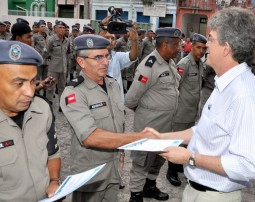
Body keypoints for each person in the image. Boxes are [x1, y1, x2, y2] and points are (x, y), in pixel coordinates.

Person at [157, 7, 255, 202]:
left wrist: (189, 158)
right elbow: (203, 131)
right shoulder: (224, 84)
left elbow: (248, 166)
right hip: (198, 191)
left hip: (215, 196)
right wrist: (162, 137)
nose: (206, 45)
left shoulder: (244, 95)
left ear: (226, 48)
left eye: (210, 39)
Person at [60, 34, 157, 202]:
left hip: (113, 169)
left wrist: (120, 153)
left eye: (107, 56)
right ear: (81, 62)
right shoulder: (74, 92)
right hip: (90, 174)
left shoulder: (112, 84)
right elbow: (90, 137)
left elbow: (117, 122)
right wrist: (138, 138)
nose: (106, 62)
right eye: (98, 57)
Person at [125, 27, 181, 202]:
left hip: (165, 126)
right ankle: (135, 195)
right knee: (142, 161)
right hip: (149, 126)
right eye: (176, 45)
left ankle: (150, 186)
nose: (179, 48)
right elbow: (131, 99)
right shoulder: (148, 66)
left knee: (158, 159)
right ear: (165, 44)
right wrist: (147, 112)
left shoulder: (169, 62)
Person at [0, 40, 61, 201]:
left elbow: (53, 153)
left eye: (33, 81)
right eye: (19, 83)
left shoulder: (41, 109)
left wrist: (54, 181)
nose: (29, 92)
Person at [167, 33, 207, 186]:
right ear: (192, 47)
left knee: (187, 143)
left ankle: (180, 167)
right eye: (198, 47)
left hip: (192, 111)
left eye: (204, 48)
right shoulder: (184, 64)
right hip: (181, 111)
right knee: (176, 142)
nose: (201, 51)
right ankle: (171, 171)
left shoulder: (200, 64)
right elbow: (175, 87)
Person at [46, 20, 69, 111]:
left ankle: (61, 105)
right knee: (50, 87)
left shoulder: (67, 40)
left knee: (62, 88)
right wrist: (49, 62)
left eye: (64, 28)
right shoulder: (51, 40)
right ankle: (48, 104)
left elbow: (67, 53)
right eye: (60, 28)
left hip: (63, 69)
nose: (62, 29)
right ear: (55, 29)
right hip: (53, 68)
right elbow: (45, 52)